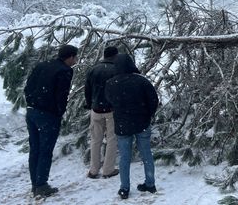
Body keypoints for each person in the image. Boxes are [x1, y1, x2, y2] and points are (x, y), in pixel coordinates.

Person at [24, 44, 79, 198]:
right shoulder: (64, 71)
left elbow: (28, 87)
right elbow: (62, 95)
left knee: (35, 149)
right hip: (48, 115)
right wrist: (58, 112)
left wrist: (31, 102)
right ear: (70, 57)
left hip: (31, 111)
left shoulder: (42, 65)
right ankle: (41, 185)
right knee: (45, 150)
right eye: (75, 57)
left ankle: (35, 184)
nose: (76, 60)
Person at [105, 54, 159, 200]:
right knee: (146, 154)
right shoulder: (141, 81)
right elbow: (154, 100)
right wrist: (148, 115)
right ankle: (150, 184)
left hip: (122, 125)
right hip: (142, 123)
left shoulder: (110, 83)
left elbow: (109, 102)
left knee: (124, 158)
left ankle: (124, 188)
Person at [84, 46, 119, 179]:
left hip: (96, 109)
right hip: (111, 110)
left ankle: (93, 170)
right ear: (115, 56)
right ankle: (108, 169)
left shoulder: (93, 69)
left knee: (95, 140)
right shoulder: (116, 70)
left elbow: (87, 90)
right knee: (111, 139)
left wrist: (89, 104)